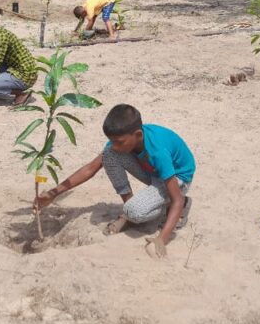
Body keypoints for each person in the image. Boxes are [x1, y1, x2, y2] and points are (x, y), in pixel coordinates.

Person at [34, 104, 195, 258]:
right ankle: (129, 210)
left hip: (177, 177)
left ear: (138, 135)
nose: (116, 146)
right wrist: (53, 194)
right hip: (152, 171)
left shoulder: (158, 151)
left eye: (120, 142)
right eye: (113, 141)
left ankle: (137, 212)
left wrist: (161, 239)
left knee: (138, 210)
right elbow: (90, 168)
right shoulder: (123, 142)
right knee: (109, 155)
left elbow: (177, 199)